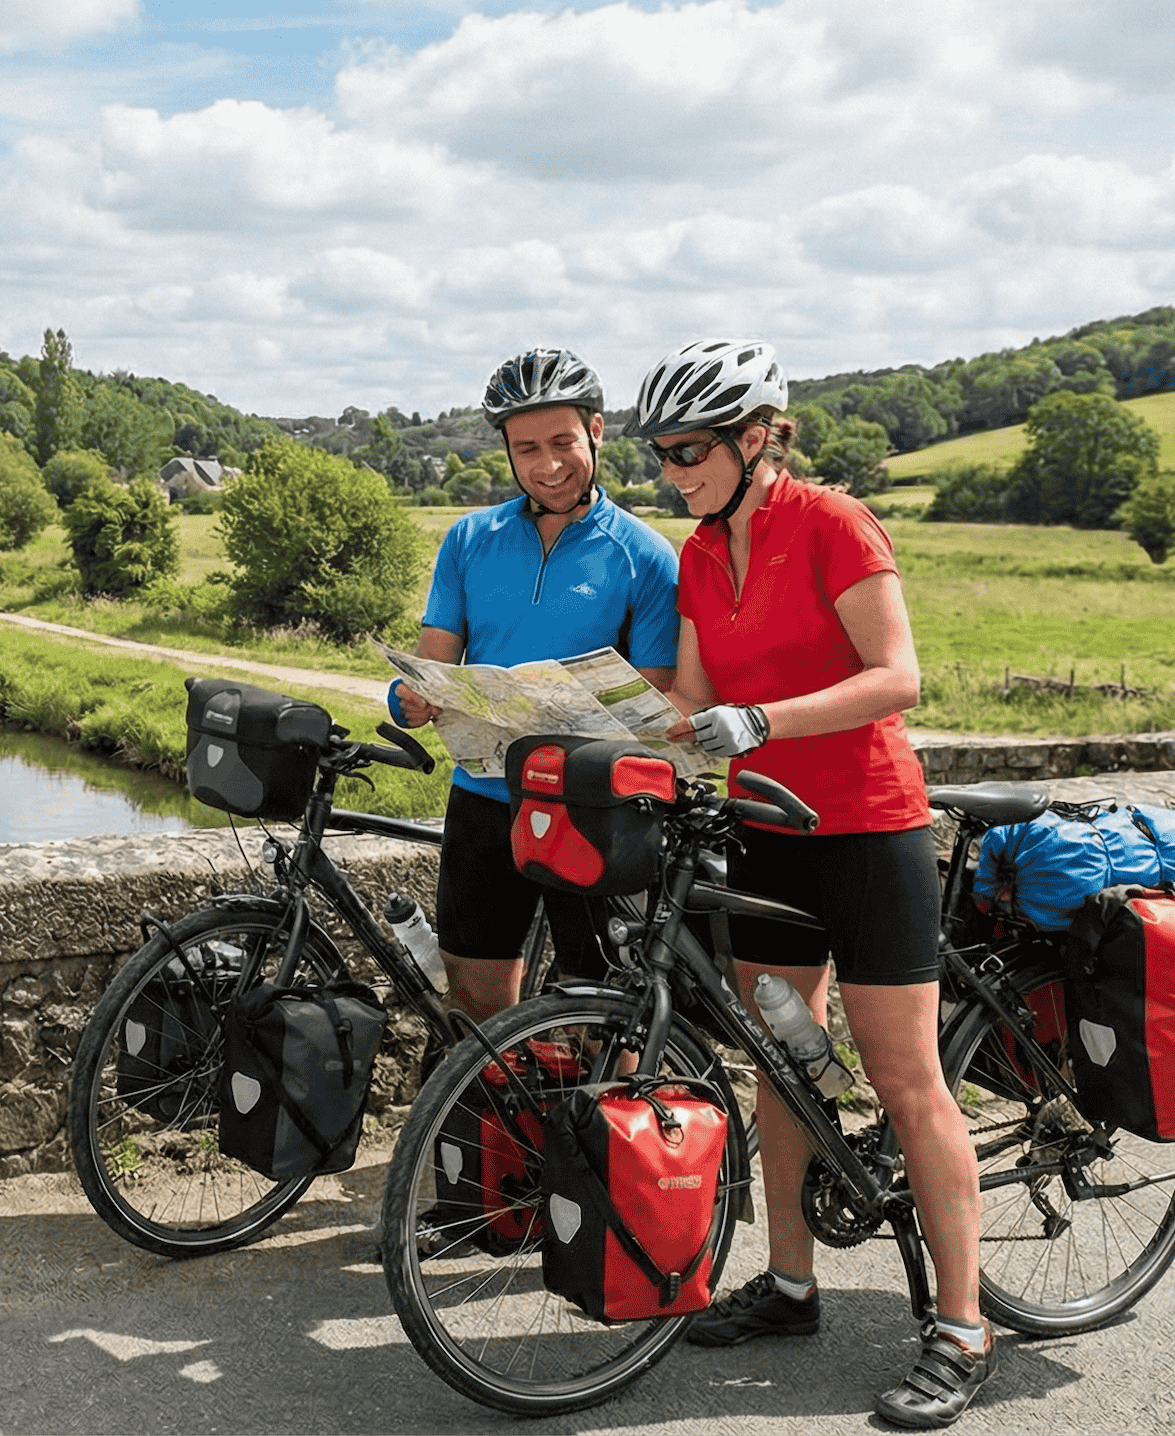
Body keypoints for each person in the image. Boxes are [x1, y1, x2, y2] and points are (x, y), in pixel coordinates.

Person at [638, 338, 990, 1429]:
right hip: (766, 826)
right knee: (780, 1064)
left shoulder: (836, 523)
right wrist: (585, 713)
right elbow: (692, 698)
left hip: (867, 829)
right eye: (660, 452)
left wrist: (766, 720)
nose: (671, 469)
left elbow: (897, 675)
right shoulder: (699, 553)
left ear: (756, 437)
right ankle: (790, 1283)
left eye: (688, 449)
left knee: (903, 1075)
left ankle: (964, 1326)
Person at [388, 348, 679, 1023]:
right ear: (507, 453)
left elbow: (655, 702)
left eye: (562, 442)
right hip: (485, 801)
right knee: (475, 1007)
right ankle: (493, 1129)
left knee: (598, 1015)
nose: (547, 465)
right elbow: (433, 665)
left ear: (597, 432)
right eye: (526, 449)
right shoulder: (469, 539)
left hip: (594, 809)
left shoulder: (646, 556)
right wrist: (409, 700)